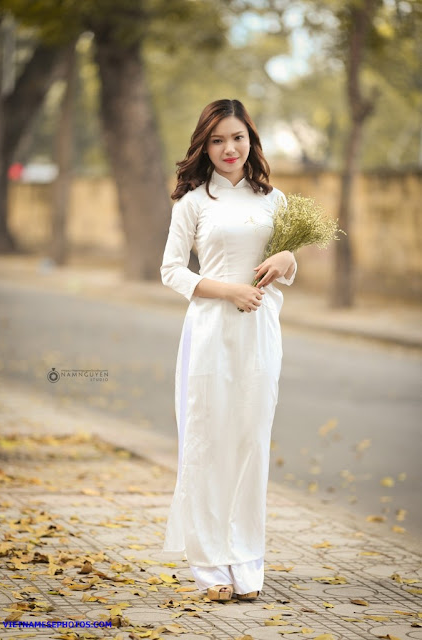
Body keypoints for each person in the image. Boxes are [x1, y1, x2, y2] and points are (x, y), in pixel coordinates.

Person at [159, 98, 297, 602]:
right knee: (209, 440)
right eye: (217, 140)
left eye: (236, 137)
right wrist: (229, 290)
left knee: (251, 441)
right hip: (210, 333)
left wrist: (286, 257)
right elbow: (172, 270)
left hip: (261, 335)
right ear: (204, 145)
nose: (228, 148)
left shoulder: (275, 200)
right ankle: (210, 562)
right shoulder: (194, 201)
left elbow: (285, 271)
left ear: (251, 140)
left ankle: (246, 554)